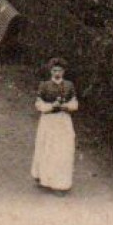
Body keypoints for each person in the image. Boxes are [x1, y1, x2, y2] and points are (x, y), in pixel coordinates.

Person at [32, 58, 79, 193]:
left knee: (63, 150)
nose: (56, 73)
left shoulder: (69, 85)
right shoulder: (44, 85)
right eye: (54, 70)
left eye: (59, 70)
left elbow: (75, 103)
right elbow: (38, 104)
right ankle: (44, 177)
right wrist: (51, 106)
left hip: (63, 121)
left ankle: (60, 183)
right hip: (49, 121)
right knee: (47, 148)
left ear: (63, 71)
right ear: (50, 71)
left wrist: (66, 106)